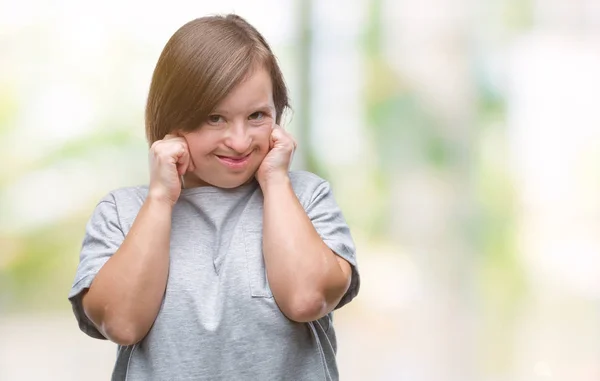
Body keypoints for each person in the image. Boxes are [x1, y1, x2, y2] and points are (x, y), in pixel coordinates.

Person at [68, 13, 360, 381]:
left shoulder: (306, 197)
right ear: (172, 119)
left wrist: (275, 182)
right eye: (214, 118)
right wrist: (160, 198)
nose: (239, 141)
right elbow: (122, 323)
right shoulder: (121, 213)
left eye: (257, 115)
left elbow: (307, 299)